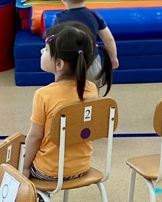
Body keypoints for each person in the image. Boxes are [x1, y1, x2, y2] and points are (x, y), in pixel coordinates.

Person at [20, 22, 110, 182]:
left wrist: (25, 167)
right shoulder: (91, 88)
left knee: (8, 161)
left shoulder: (43, 95)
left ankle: (37, 194)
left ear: (59, 64)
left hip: (48, 171)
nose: (41, 51)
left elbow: (34, 137)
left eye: (46, 49)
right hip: (81, 167)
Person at [46, 0, 119, 91]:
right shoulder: (93, 15)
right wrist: (113, 58)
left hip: (68, 67)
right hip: (92, 63)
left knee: (69, 94)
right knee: (92, 93)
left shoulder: (59, 19)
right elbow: (109, 39)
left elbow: (52, 44)